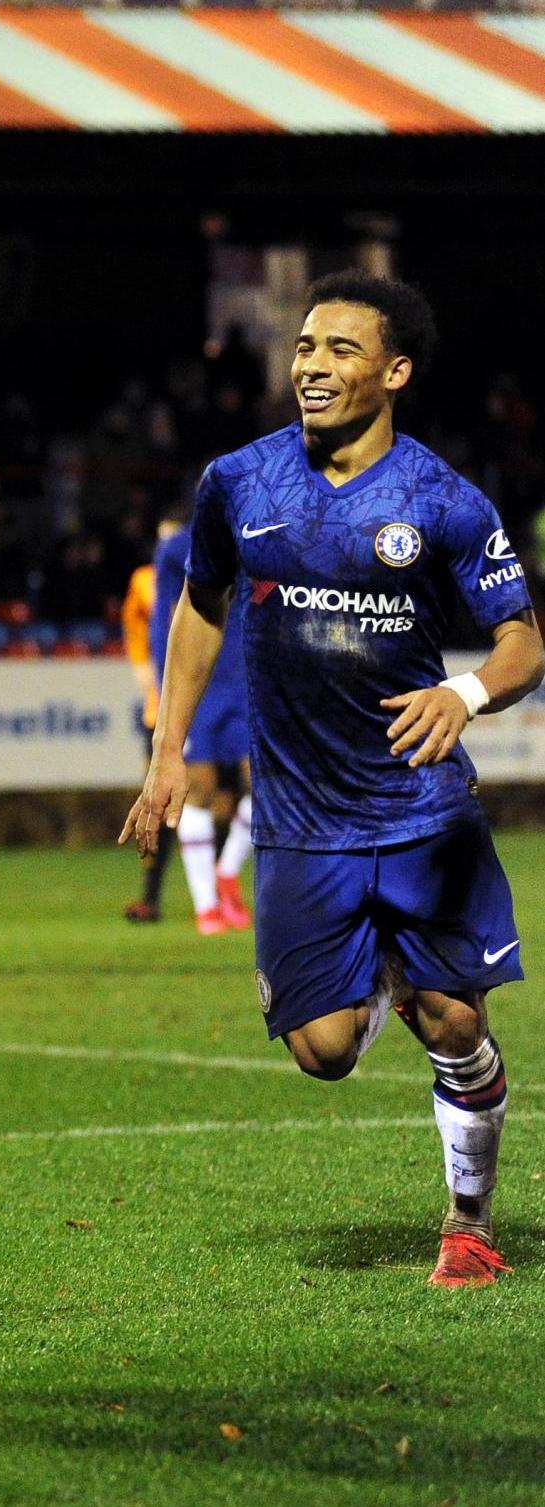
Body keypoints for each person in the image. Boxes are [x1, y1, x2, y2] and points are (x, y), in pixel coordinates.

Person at [125, 270, 541, 1287]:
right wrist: (167, 749)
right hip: (300, 820)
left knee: (454, 1019)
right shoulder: (236, 482)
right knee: (319, 1052)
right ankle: (390, 978)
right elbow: (200, 607)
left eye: (338, 350)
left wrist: (467, 697)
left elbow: (522, 644)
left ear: (392, 370)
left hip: (418, 807)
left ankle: (469, 1222)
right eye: (304, 347)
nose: (310, 366)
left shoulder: (441, 501)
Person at [149, 502, 254, 935]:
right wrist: (166, 690)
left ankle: (227, 872)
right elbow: (164, 622)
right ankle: (207, 906)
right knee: (200, 788)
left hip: (251, 679)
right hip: (204, 683)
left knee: (268, 787)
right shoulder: (177, 549)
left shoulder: (262, 536)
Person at [119, 529, 168, 923]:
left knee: (235, 794)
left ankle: (223, 885)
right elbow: (134, 625)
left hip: (223, 706)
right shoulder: (145, 580)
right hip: (162, 711)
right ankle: (150, 897)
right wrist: (140, 665)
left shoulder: (212, 573)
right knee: (157, 803)